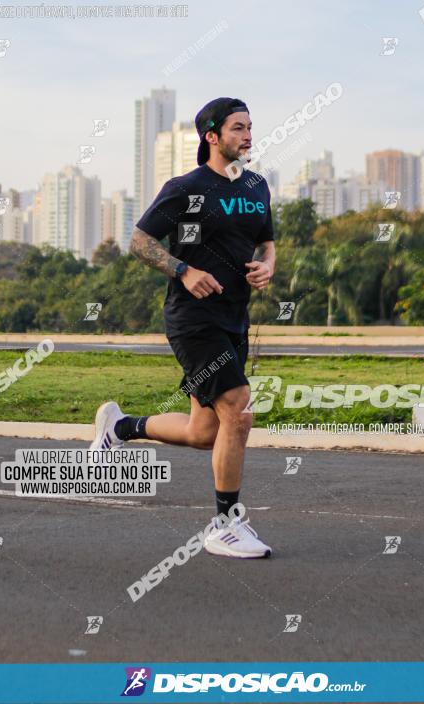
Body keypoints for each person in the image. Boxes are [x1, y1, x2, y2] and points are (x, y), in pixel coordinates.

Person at [89, 97, 276, 558]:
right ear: (212, 137)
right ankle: (225, 525)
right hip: (193, 318)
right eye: (237, 128)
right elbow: (139, 240)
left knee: (204, 432)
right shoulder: (184, 187)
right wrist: (183, 271)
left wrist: (267, 267)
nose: (247, 135)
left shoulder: (256, 186)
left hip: (235, 315)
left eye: (250, 127)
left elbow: (267, 242)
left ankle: (121, 426)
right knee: (239, 409)